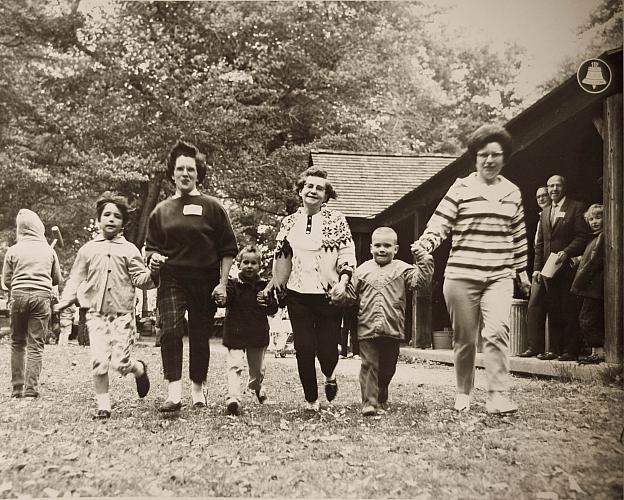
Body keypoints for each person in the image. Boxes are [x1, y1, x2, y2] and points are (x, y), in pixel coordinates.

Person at [412, 124, 530, 415]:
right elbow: (440, 222)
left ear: (504, 157)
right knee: (464, 339)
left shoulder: (512, 192)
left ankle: (497, 396)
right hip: (461, 275)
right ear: (475, 158)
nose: (489, 160)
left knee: (498, 331)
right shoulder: (461, 187)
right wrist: (426, 243)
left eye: (496, 155)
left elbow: (518, 234)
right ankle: (464, 392)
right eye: (483, 155)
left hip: (499, 275)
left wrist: (522, 271)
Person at [146, 140, 238, 412]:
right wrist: (153, 258)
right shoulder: (161, 211)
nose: (185, 173)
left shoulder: (213, 207)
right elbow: (150, 247)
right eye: (180, 169)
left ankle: (198, 389)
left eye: (191, 169)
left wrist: (222, 283)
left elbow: (228, 248)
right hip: (172, 277)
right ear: (172, 174)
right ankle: (174, 393)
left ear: (198, 174)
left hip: (205, 280)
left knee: (200, 335)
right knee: (171, 330)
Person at [55, 193, 155, 419]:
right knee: (99, 361)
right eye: (106, 215)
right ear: (98, 219)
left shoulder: (129, 250)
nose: (111, 219)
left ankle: (138, 368)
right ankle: (104, 405)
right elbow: (75, 278)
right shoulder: (88, 250)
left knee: (120, 364)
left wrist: (154, 273)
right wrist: (65, 300)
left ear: (123, 222)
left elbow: (142, 280)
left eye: (117, 216)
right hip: (96, 315)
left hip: (123, 316)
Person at [266, 166, 356, 412]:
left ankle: (330, 375)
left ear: (326, 195)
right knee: (303, 348)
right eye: (309, 186)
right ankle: (311, 400)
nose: (313, 191)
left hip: (328, 294)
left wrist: (343, 282)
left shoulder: (336, 220)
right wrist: (276, 284)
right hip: (297, 295)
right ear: (300, 190)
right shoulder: (289, 222)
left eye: (319, 188)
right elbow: (280, 257)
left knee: (327, 350)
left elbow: (347, 254)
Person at [349, 227, 433, 416]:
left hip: (393, 327)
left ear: (396, 249)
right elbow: (350, 295)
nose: (382, 249)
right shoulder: (361, 271)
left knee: (387, 368)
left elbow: (420, 281)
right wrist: (338, 293)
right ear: (371, 248)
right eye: (377, 245)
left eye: (387, 246)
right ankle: (369, 403)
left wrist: (424, 260)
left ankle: (381, 395)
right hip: (367, 327)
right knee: (369, 365)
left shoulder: (403, 269)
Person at [2, 209, 62, 399]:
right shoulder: (49, 250)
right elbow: (56, 279)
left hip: (18, 295)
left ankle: (17, 388)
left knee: (18, 342)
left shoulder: (13, 250)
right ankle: (30, 390)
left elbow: (7, 280)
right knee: (36, 345)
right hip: (41, 297)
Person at [532, 175, 590, 361]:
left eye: (557, 185)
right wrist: (537, 268)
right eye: (550, 186)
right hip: (548, 270)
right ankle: (554, 350)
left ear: (564, 187)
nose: (553, 189)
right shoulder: (545, 211)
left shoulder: (576, 207)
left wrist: (566, 252)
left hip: (566, 268)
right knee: (553, 308)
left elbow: (582, 235)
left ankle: (570, 350)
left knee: (568, 308)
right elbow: (540, 243)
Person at [221, 245, 278, 415]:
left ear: (259, 266)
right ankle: (233, 398)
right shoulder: (232, 284)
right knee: (234, 365)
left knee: (257, 370)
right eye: (245, 262)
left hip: (256, 333)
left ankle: (257, 387)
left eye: (254, 263)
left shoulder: (264, 286)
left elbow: (273, 309)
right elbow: (224, 300)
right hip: (235, 332)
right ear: (238, 264)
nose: (249, 266)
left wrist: (268, 301)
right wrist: (219, 296)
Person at [519, 186, 551, 358]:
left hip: (553, 267)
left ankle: (552, 349)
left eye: (544, 195)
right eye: (538, 196)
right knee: (534, 306)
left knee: (554, 308)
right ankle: (534, 346)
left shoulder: (556, 216)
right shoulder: (537, 218)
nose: (541, 199)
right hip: (537, 268)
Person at [570, 204, 605, 364]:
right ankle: (595, 351)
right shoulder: (595, 238)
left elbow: (593, 263)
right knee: (590, 318)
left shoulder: (602, 237)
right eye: (591, 219)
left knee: (587, 318)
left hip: (594, 287)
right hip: (591, 288)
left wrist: (578, 284)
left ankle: (599, 352)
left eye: (598, 217)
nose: (594, 222)